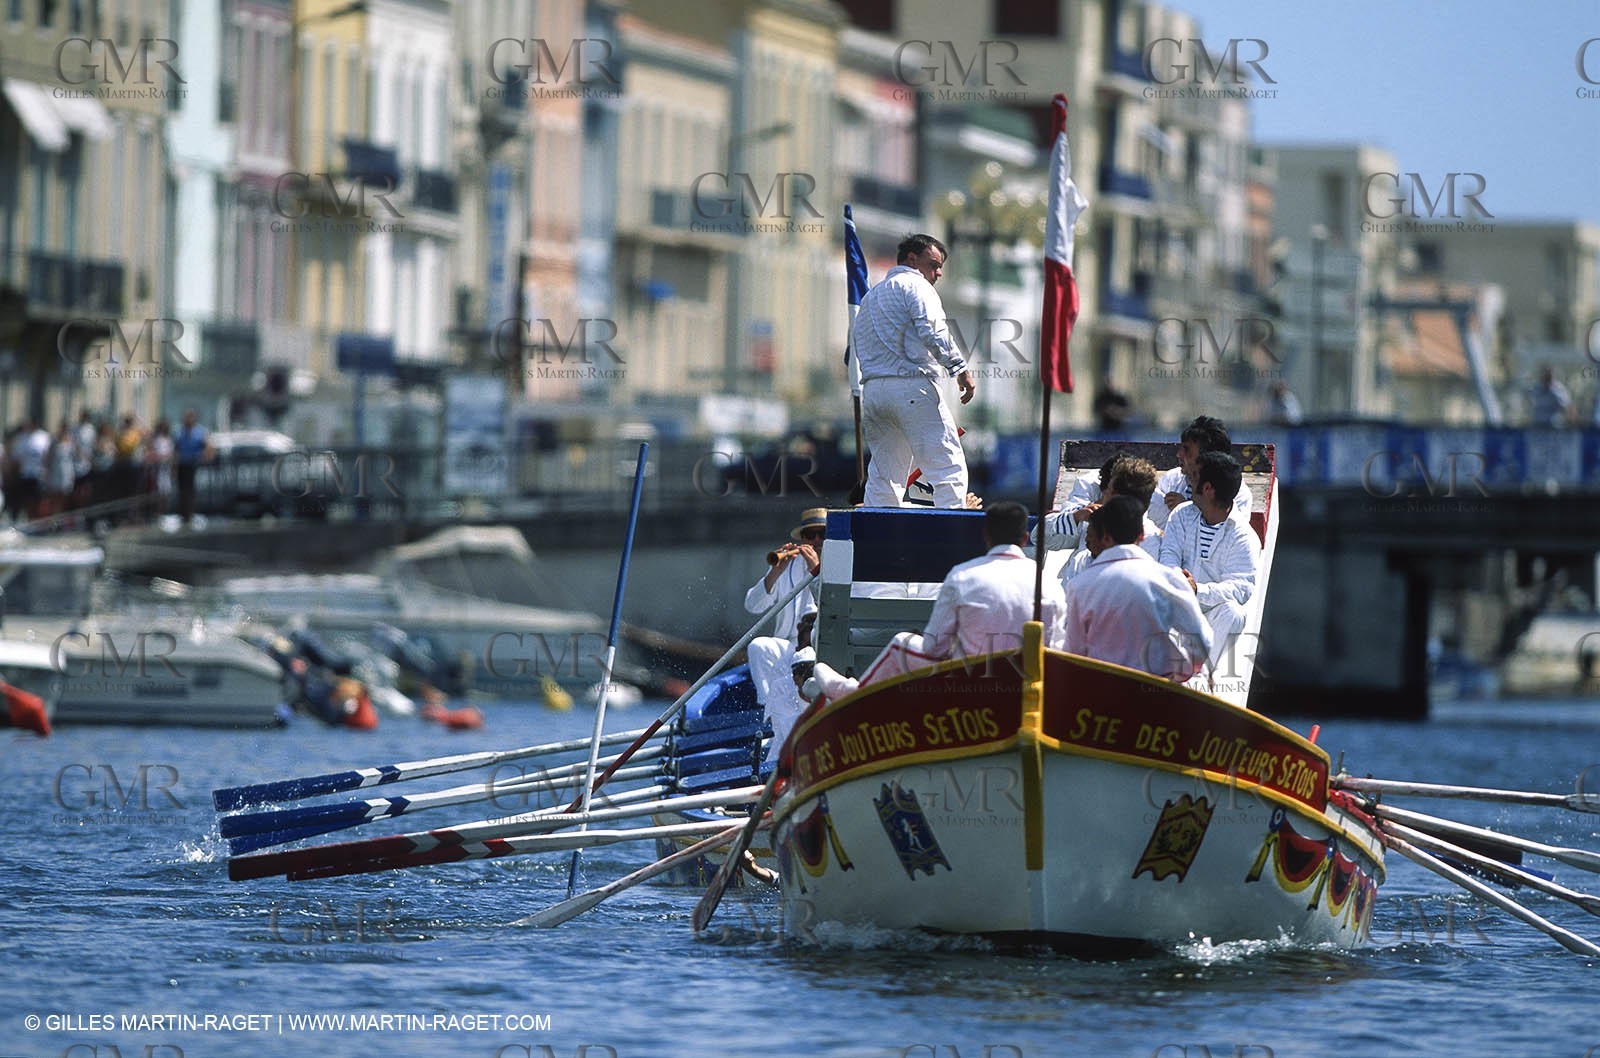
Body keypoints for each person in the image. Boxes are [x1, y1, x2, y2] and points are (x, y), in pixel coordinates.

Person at [807, 502, 1066, 699]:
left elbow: (934, 648)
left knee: (901, 642)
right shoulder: (1050, 584)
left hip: (970, 683)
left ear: (986, 536)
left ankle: (856, 693)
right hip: (1030, 683)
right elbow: (1058, 648)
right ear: (1023, 539)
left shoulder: (964, 576)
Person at [852, 234, 974, 508]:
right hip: (911, 386)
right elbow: (933, 330)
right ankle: (951, 541)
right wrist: (959, 367)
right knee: (947, 467)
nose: (939, 272)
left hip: (873, 391)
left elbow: (856, 344)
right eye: (933, 264)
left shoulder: (870, 298)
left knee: (884, 476)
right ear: (912, 259)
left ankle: (875, 539)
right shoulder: (916, 285)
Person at [1064, 496, 1211, 682]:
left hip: (1101, 694)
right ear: (1141, 535)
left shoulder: (1080, 586)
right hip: (1156, 691)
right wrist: (1181, 672)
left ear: (1105, 537)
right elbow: (1202, 639)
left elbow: (1073, 653)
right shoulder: (1168, 580)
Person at [1158, 451, 1261, 672]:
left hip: (1212, 616)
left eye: (1195, 477)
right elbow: (1168, 556)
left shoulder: (1244, 537)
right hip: (1177, 606)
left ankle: (1200, 674)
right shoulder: (1181, 515)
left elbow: (1240, 589)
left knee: (1234, 613)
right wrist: (1179, 582)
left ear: (1207, 489)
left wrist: (1198, 590)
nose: (1189, 481)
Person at [745, 508, 823, 761]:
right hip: (790, 647)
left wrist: (817, 570)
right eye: (811, 536)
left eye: (823, 535)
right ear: (803, 539)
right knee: (758, 647)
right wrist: (775, 572)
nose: (817, 542)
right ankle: (771, 718)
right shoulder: (789, 566)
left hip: (819, 648)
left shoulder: (838, 563)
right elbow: (752, 605)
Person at [1150, 415, 1252, 531]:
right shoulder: (1172, 479)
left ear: (1208, 457)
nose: (1179, 455)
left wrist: (1185, 509)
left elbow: (1227, 533)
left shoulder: (1238, 494)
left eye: (1187, 450)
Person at [174, 409, 210, 527]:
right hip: (182, 464)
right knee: (182, 490)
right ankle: (183, 514)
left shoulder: (199, 432)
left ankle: (190, 514)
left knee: (191, 490)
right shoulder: (179, 431)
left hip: (193, 464)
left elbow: (207, 446)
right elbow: (176, 448)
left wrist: (205, 455)